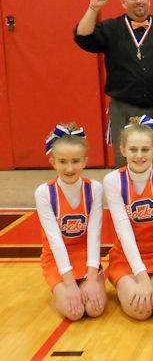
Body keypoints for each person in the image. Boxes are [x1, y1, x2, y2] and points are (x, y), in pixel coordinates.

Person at [74, 0, 153, 167]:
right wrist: (94, 7)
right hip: (123, 108)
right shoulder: (111, 28)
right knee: (125, 163)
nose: (138, 1)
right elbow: (82, 37)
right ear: (123, 2)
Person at [103, 116, 153, 320]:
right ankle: (117, 278)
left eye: (145, 149)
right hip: (127, 257)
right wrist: (142, 277)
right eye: (133, 149)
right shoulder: (113, 181)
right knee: (142, 311)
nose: (139, 155)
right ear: (123, 150)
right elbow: (124, 232)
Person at [35, 124, 106, 321]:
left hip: (85, 256)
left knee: (95, 309)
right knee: (74, 313)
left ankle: (92, 281)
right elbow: (55, 241)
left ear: (85, 161)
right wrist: (69, 284)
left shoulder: (95, 189)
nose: (69, 168)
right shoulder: (44, 193)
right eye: (62, 162)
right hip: (56, 260)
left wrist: (91, 279)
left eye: (75, 161)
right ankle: (60, 289)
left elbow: (94, 236)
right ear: (53, 162)